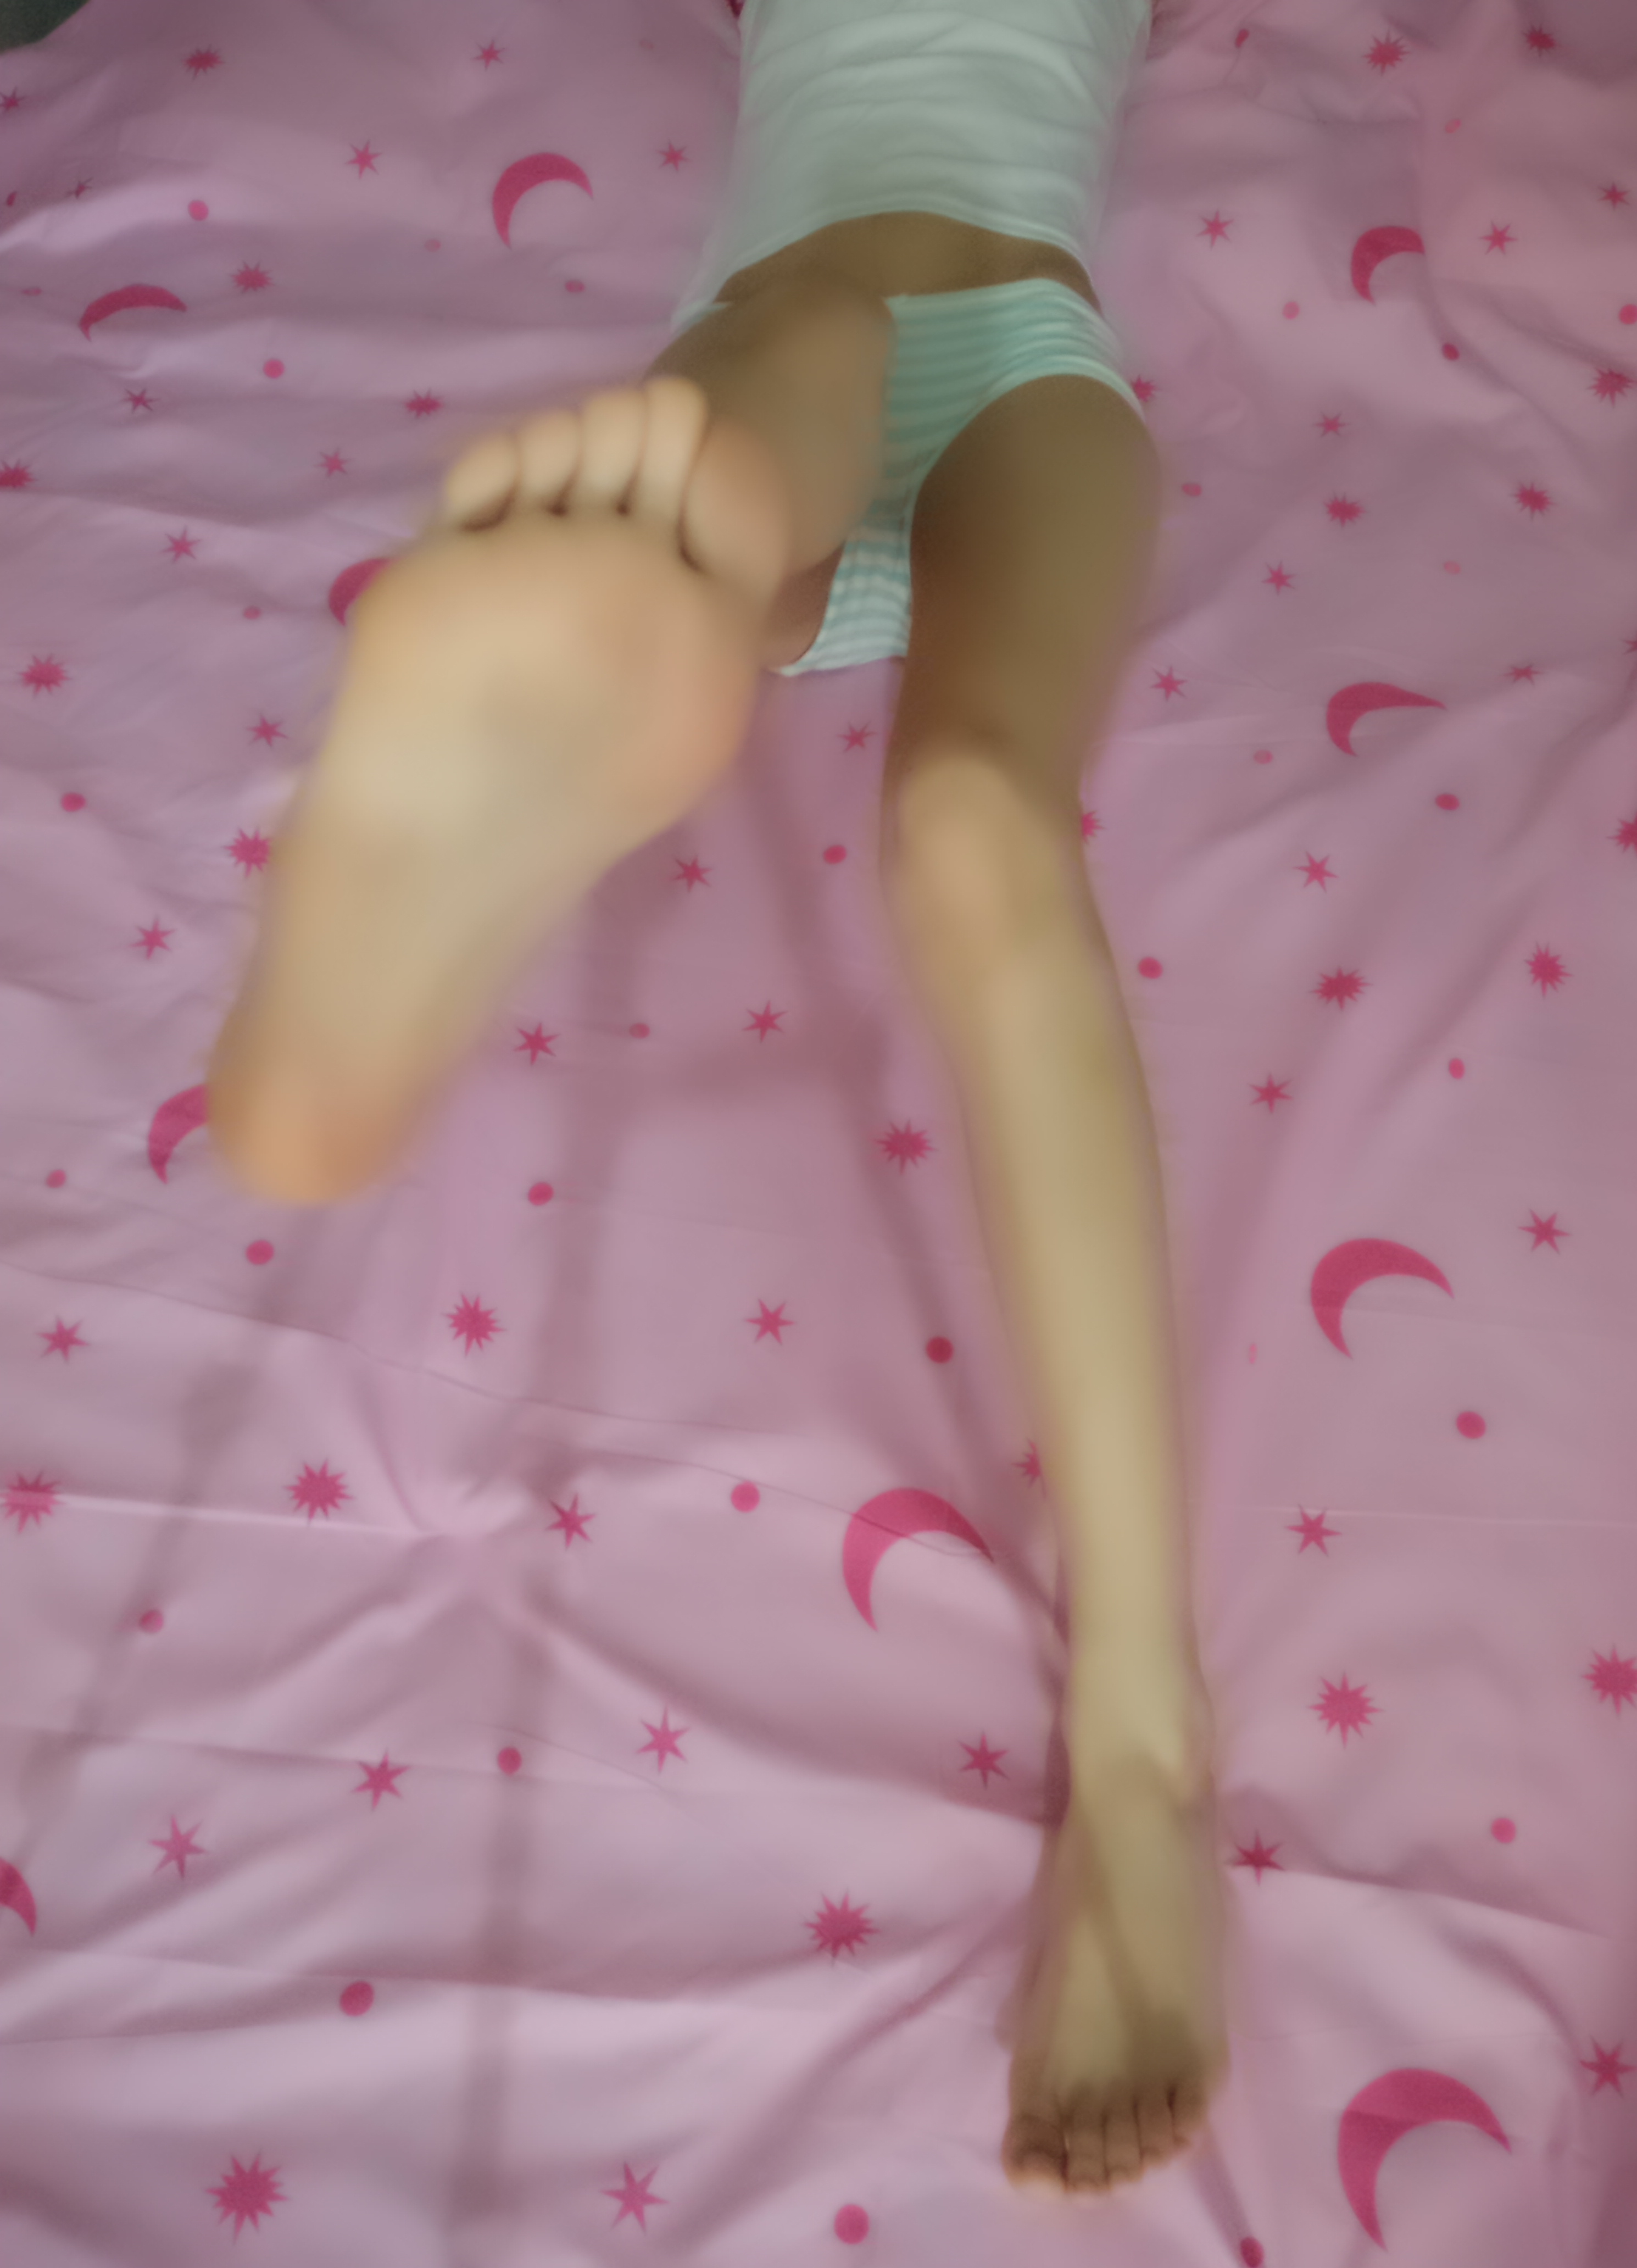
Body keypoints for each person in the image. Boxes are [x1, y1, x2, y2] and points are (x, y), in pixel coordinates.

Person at [207, 0, 1228, 2197]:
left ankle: (635, 629)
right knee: (821, 416)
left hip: (992, 371)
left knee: (973, 811)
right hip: (813, 376)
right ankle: (602, 658)